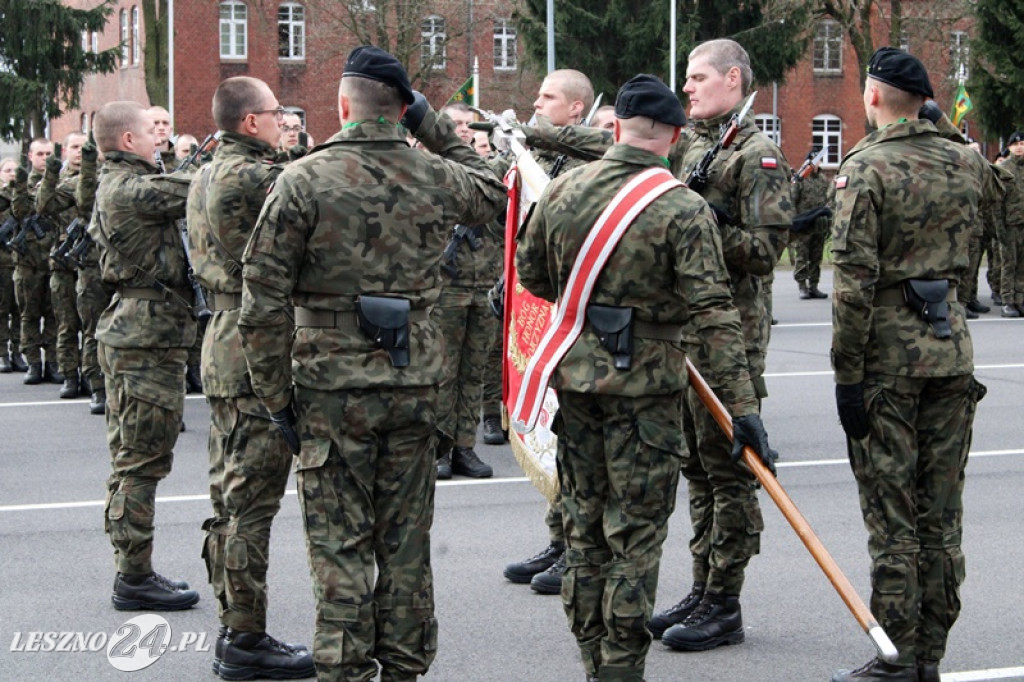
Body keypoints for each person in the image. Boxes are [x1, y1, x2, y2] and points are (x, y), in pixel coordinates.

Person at [238, 46, 505, 680]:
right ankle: (406, 670)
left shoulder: (303, 179)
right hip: (415, 384)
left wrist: (276, 400)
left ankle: (347, 670)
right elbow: (496, 191)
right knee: (408, 546)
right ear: (403, 109)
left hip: (331, 392)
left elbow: (262, 303)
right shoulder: (437, 175)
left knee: (340, 548)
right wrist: (432, 124)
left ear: (341, 105)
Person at [517, 73, 777, 682]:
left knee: (584, 533)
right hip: (649, 392)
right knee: (634, 539)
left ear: (616, 129)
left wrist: (591, 311)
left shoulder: (562, 191)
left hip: (577, 386)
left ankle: (591, 661)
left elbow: (531, 276)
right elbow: (714, 316)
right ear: (673, 134)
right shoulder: (681, 206)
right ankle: (621, 669)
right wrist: (743, 409)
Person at [829, 48, 989, 682]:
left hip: (889, 362)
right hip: (951, 350)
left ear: (871, 97)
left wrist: (846, 375)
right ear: (925, 101)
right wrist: (937, 122)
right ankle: (931, 654)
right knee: (942, 514)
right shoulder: (968, 164)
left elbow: (853, 284)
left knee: (893, 515)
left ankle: (898, 655)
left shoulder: (865, 169)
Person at [651, 38, 792, 651]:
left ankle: (725, 602)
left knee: (728, 470)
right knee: (698, 467)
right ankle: (702, 583)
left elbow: (763, 254)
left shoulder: (758, 155)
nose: (688, 88)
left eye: (698, 77)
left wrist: (697, 221)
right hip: (685, 331)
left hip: (728, 334)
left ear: (734, 79)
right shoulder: (697, 146)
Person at [186, 76, 314, 681]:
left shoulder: (211, 168)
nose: (281, 119)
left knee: (230, 497)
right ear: (248, 122)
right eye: (274, 112)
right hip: (255, 343)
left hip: (224, 339)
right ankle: (243, 638)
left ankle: (235, 627)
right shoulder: (251, 176)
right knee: (249, 507)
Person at [90, 100, 200, 611]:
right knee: (140, 463)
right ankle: (133, 578)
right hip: (143, 340)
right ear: (127, 142)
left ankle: (133, 571)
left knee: (133, 461)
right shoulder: (129, 187)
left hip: (141, 334)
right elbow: (190, 187)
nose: (161, 138)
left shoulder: (123, 181)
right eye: (150, 133)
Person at [502, 68, 597, 596]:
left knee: (575, 435)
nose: (536, 104)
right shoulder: (550, 157)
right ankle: (558, 536)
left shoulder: (590, 155)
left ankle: (577, 547)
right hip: (542, 304)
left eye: (547, 97)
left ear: (576, 109)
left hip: (574, 313)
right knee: (553, 430)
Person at [431, 100, 500, 480]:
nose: (462, 131)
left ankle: (463, 447)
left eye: (468, 125)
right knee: (443, 371)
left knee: (473, 371)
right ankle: (439, 448)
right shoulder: (431, 170)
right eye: (455, 124)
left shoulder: (487, 172)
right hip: (445, 286)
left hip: (483, 284)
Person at [36, 131, 87, 398]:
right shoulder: (59, 182)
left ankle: (93, 375)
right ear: (65, 151)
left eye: (84, 147)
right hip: (65, 260)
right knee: (67, 323)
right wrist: (50, 174)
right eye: (75, 147)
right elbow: (42, 206)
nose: (80, 151)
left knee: (93, 326)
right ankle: (69, 374)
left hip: (91, 261)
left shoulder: (97, 178)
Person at [11, 137, 62, 385]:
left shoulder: (61, 185)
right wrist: (21, 186)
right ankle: (33, 362)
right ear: (30, 157)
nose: (44, 158)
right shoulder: (22, 185)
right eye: (39, 154)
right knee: (28, 315)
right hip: (28, 262)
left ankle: (53, 362)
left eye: (48, 153)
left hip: (54, 260)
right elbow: (18, 211)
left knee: (54, 316)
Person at [791, 152, 830, 300]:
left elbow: (827, 200)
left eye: (819, 161)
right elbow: (792, 201)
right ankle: (802, 286)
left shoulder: (822, 179)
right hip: (803, 224)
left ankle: (814, 286)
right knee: (802, 255)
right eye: (814, 160)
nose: (817, 163)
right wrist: (795, 222)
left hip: (818, 225)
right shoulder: (800, 179)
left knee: (816, 256)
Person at [0, 157, 26, 373]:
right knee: (1, 310)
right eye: (7, 170)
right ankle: (2, 354)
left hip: (20, 261)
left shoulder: (23, 197)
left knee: (19, 311)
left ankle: (17, 351)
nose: (11, 174)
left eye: (15, 170)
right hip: (2, 264)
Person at [998, 131, 1024, 318]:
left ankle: (1020, 299)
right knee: (1009, 263)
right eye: (1015, 144)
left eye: (1022, 143)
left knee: (1023, 264)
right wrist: (999, 228)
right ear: (1009, 147)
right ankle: (1008, 300)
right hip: (1010, 224)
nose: (1019, 147)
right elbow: (997, 202)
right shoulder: (1003, 169)